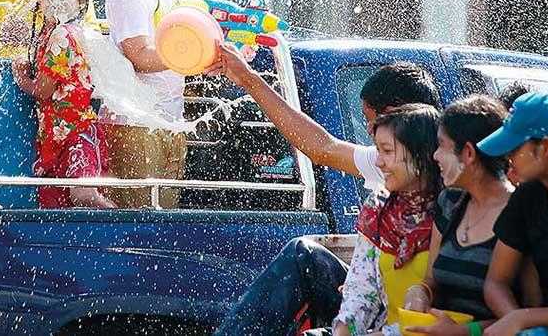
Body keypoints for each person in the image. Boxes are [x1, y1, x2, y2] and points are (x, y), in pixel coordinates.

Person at [216, 104, 443, 336]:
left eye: (387, 151)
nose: (378, 163)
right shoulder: (380, 208)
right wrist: (343, 330)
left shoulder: (451, 213)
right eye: (378, 151)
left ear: (420, 154)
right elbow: (361, 290)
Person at [216, 43, 441, 193]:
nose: (370, 132)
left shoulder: (452, 188)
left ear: (396, 116)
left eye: (372, 122)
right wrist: (248, 79)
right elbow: (322, 149)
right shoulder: (393, 165)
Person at [102, 0, 187, 209]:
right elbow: (139, 55)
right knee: (141, 220)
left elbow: (180, 47)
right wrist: (191, 56)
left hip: (168, 120)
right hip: (135, 125)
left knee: (164, 218)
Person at [402, 95, 515, 335]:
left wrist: (467, 331)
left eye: (442, 146)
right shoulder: (450, 203)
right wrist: (420, 292)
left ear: (468, 153)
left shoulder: (519, 213)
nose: (435, 156)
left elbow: (528, 315)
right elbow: (431, 280)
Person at [11, 0, 115, 209]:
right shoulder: (60, 32)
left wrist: (20, 77)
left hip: (71, 133)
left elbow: (44, 90)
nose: (56, 1)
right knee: (65, 204)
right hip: (64, 132)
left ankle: (125, 224)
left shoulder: (61, 35)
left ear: (81, 1)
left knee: (82, 197)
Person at [480, 92, 548, 336]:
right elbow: (496, 282)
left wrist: (525, 319)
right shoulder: (528, 197)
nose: (507, 157)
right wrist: (519, 325)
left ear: (545, 147)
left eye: (514, 148)